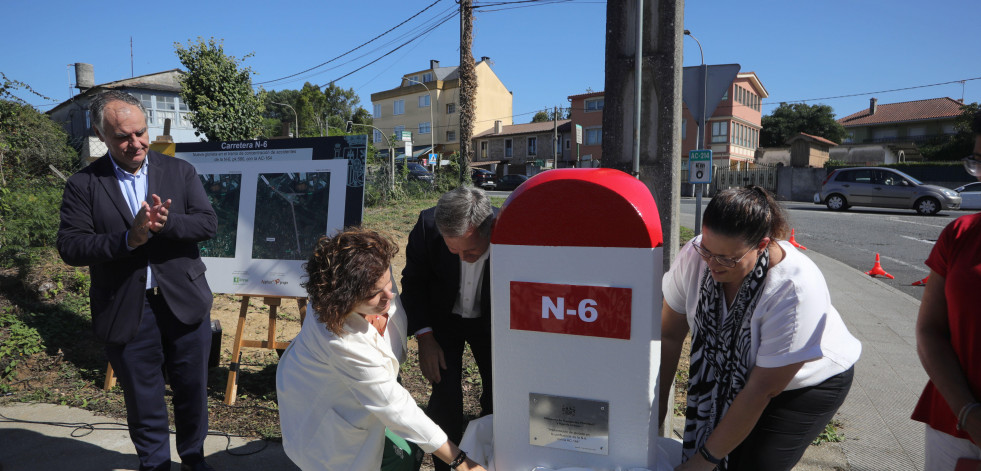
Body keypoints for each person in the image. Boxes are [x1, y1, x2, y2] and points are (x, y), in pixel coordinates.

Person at [57, 90, 218, 471]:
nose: (136, 143)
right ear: (101, 134)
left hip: (184, 301)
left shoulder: (179, 171)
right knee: (143, 399)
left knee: (192, 392)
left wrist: (168, 224)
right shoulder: (84, 185)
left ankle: (194, 459)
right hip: (127, 307)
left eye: (140, 133)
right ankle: (155, 464)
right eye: (123, 137)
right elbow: (71, 247)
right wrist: (129, 239)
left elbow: (207, 223)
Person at [659, 185, 862, 471]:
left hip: (805, 382)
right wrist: (656, 412)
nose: (713, 265)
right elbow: (668, 335)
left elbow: (761, 389)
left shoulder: (794, 287)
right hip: (738, 378)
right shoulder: (695, 257)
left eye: (728, 259)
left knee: (752, 464)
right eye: (707, 250)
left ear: (762, 245)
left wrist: (703, 462)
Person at [276, 228, 487, 471]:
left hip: (368, 392)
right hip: (328, 415)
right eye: (375, 294)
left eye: (388, 282)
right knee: (395, 458)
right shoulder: (340, 339)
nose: (390, 295)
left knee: (409, 450)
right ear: (344, 298)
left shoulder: (372, 276)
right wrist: (461, 461)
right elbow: (394, 407)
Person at [400, 187, 497, 471]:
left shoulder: (511, 231)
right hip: (443, 319)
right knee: (444, 396)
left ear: (488, 229)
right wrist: (425, 337)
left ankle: (495, 461)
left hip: (492, 321)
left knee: (498, 395)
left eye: (472, 251)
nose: (462, 257)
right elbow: (414, 282)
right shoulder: (428, 226)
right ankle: (448, 466)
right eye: (452, 250)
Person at [913, 109, 981, 470]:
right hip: (956, 426)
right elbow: (930, 330)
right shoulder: (961, 234)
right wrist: (968, 413)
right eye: (979, 162)